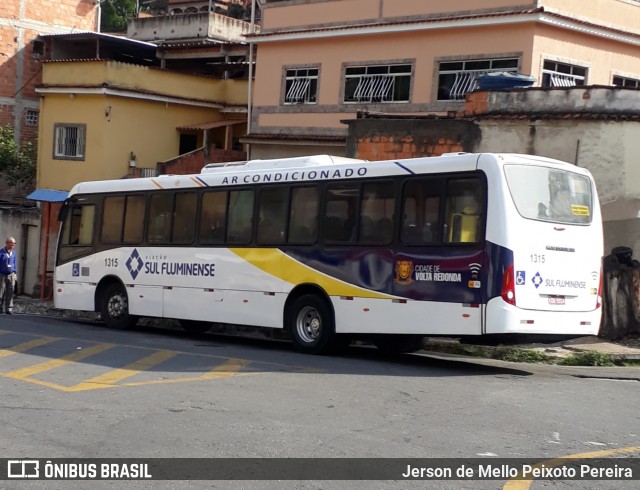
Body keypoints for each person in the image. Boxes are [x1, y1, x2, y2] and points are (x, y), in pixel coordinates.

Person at [0, 237, 17, 315]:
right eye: (12, 243)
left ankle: (9, 309)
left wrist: (15, 272)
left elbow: (14, 263)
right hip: (2, 275)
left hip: (11, 275)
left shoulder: (13, 253)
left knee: (10, 292)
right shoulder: (1, 253)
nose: (14, 245)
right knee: (1, 292)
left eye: (14, 243)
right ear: (7, 243)